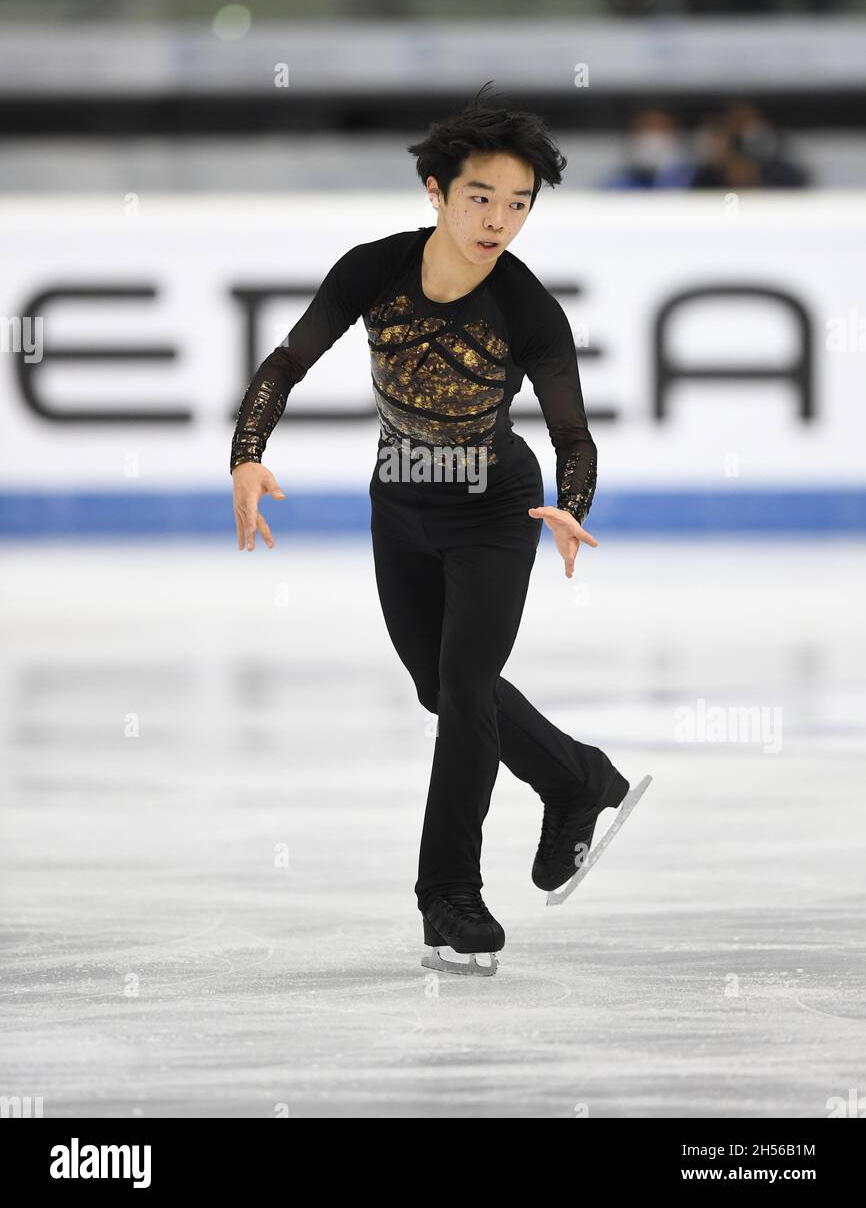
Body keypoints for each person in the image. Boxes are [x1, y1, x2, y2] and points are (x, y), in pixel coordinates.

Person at [229, 84, 636, 977]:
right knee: (439, 688)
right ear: (437, 190)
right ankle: (576, 779)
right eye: (481, 198)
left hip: (497, 511)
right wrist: (247, 453)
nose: (498, 220)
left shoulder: (527, 308)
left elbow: (573, 433)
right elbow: (287, 361)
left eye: (519, 204)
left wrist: (575, 503)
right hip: (400, 502)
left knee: (462, 690)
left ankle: (448, 895)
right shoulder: (374, 268)